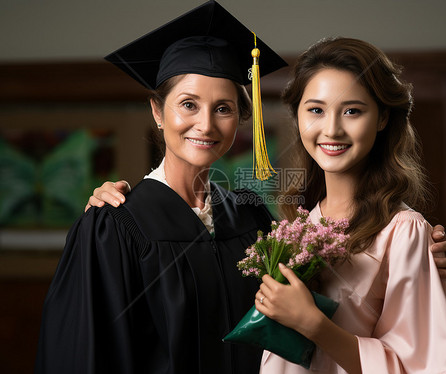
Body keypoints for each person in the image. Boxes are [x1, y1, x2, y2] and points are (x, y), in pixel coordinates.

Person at [35, 2, 287, 373]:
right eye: (188, 104)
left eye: (223, 108)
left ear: (240, 118)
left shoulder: (251, 215)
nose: (206, 125)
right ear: (157, 111)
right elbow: (83, 355)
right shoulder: (114, 227)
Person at [253, 37, 446, 373]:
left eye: (352, 111)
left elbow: (428, 367)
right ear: (297, 115)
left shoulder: (403, 232)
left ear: (383, 117)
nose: (332, 129)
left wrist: (315, 324)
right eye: (316, 110)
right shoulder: (302, 226)